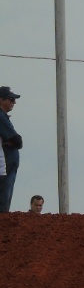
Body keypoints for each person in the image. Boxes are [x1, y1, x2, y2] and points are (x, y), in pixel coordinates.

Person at [0, 85, 23, 213]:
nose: (14, 102)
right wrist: (12, 142)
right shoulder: (1, 117)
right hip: (4, 167)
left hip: (7, 165)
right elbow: (17, 141)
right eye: (11, 99)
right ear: (1, 100)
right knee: (3, 205)